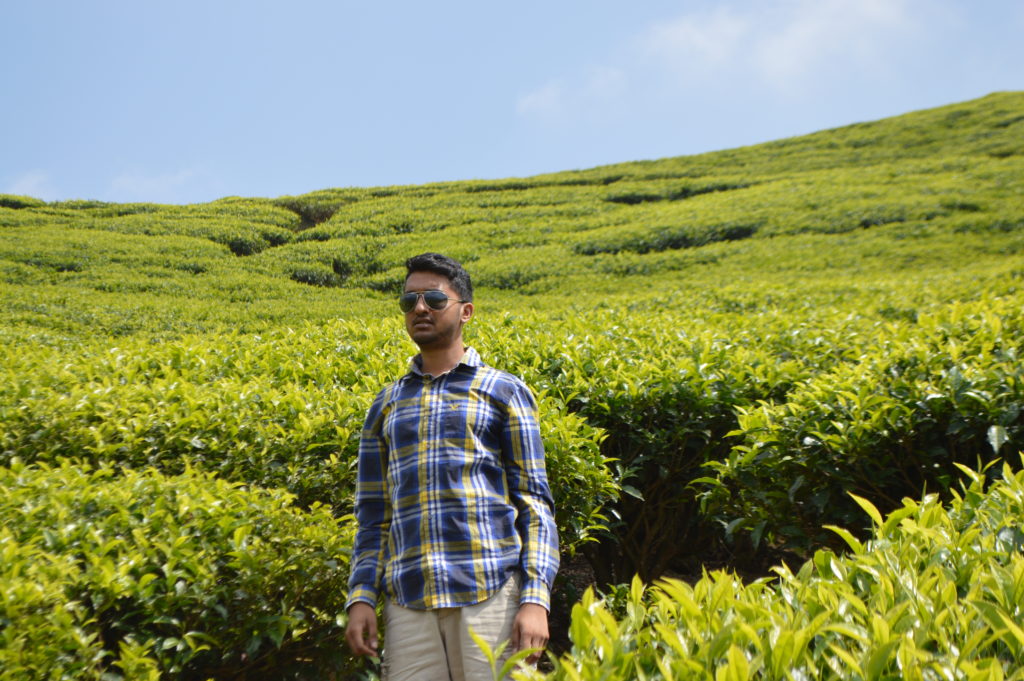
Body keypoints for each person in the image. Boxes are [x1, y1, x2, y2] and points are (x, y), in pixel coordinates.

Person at [345, 252, 559, 681]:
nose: (419, 308)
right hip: (408, 604)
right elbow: (373, 517)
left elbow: (534, 504)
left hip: (491, 595)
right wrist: (361, 597)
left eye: (433, 299)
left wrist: (535, 599)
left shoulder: (504, 391)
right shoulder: (385, 405)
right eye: (409, 302)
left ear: (465, 312)